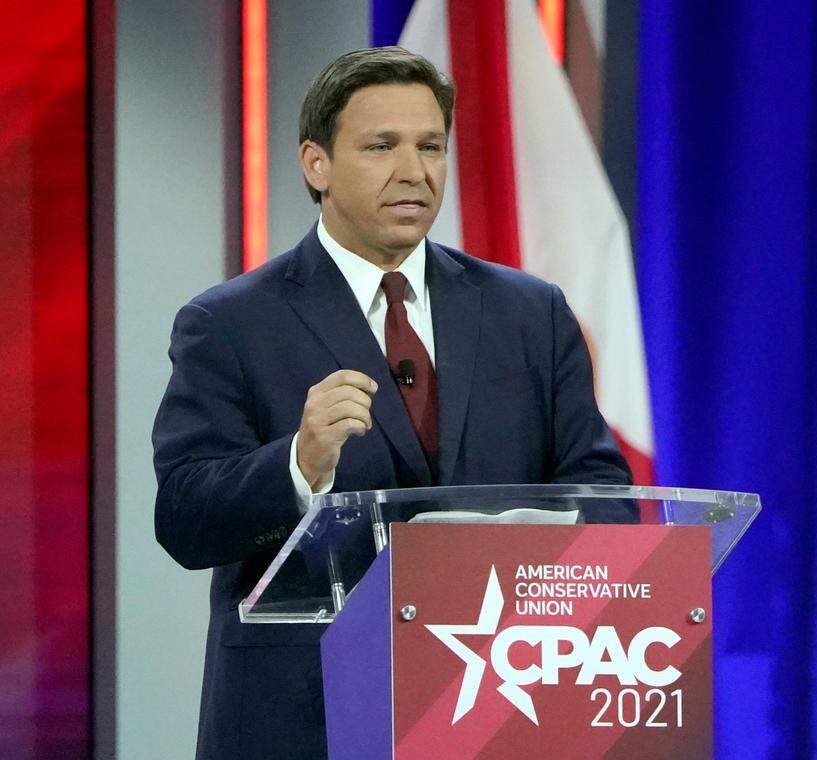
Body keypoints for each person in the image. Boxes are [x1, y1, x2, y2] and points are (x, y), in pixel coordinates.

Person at [152, 47, 632, 760]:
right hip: (304, 719)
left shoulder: (529, 314)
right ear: (316, 164)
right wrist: (297, 463)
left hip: (502, 706)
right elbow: (185, 518)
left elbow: (606, 499)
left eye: (430, 146)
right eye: (382, 146)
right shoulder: (229, 323)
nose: (415, 171)